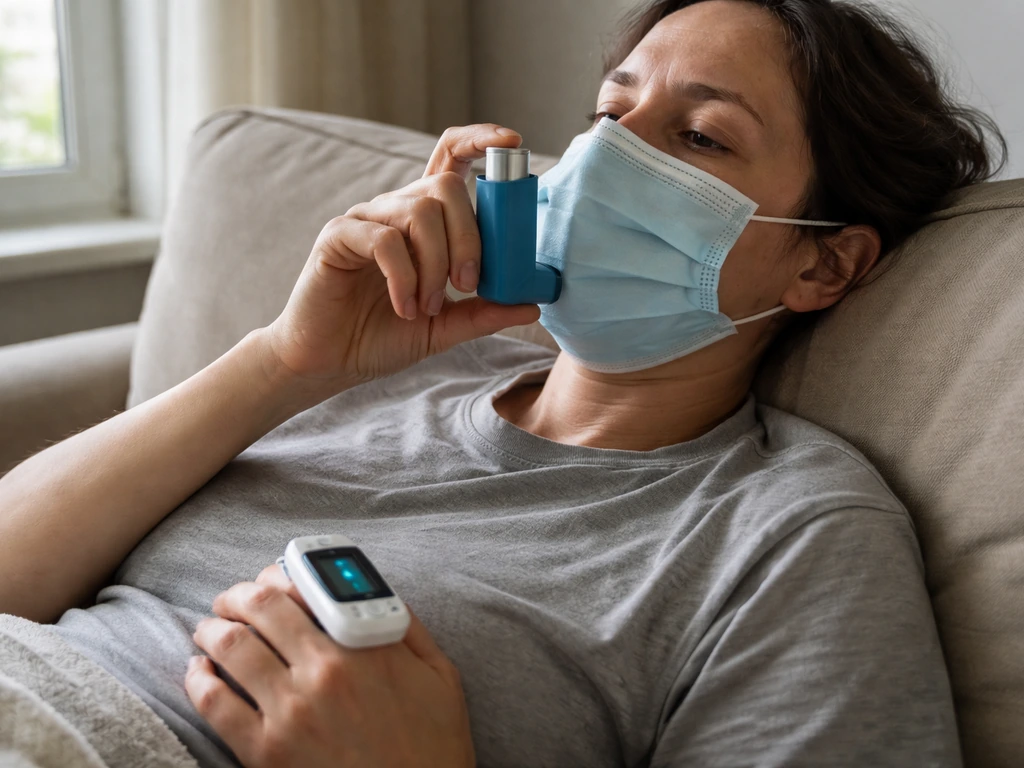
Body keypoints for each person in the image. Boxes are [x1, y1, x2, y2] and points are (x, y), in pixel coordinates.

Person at [0, 0, 1006, 766]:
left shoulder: (791, 533)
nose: (606, 152)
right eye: (608, 111)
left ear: (822, 265)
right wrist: (283, 360)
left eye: (698, 136)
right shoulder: (385, 365)